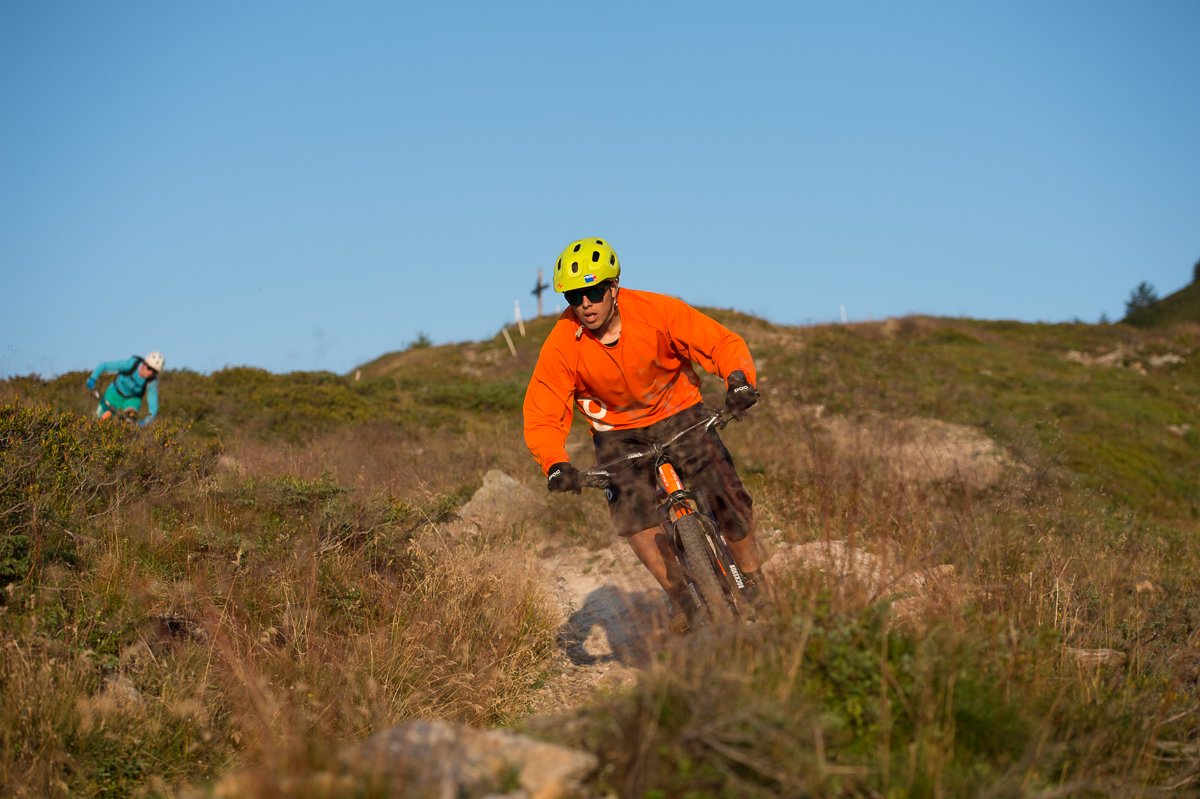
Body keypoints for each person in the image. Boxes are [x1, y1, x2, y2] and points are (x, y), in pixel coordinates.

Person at [523, 238, 764, 633]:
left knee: (727, 494)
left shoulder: (657, 311)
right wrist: (554, 463)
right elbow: (543, 411)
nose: (585, 303)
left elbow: (720, 343)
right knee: (633, 515)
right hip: (617, 431)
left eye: (594, 291)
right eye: (574, 295)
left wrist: (738, 380)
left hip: (679, 411)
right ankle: (683, 599)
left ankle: (755, 582)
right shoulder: (563, 342)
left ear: (614, 288)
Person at [86, 351, 164, 426]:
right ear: (144, 364)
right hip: (114, 393)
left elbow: (153, 406)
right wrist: (93, 378)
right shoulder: (131, 364)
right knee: (98, 422)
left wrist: (146, 422)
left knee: (129, 421)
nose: (151, 372)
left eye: (155, 371)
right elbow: (104, 366)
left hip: (132, 400)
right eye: (149, 368)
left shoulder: (152, 382)